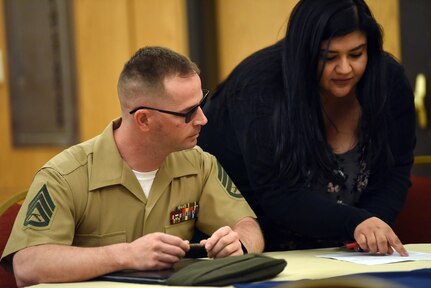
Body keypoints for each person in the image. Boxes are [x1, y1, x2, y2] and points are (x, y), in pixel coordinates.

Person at [1, 46, 264, 287]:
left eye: (202, 103)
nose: (203, 119)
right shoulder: (65, 175)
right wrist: (125, 255)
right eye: (188, 112)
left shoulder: (199, 163)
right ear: (144, 119)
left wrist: (238, 244)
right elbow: (27, 265)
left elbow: (248, 226)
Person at [198, 0, 415, 255]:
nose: (345, 68)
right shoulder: (260, 86)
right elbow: (278, 193)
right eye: (329, 57)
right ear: (304, 53)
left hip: (343, 253)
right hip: (252, 245)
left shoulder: (388, 80)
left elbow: (395, 171)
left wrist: (371, 228)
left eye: (356, 54)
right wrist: (355, 222)